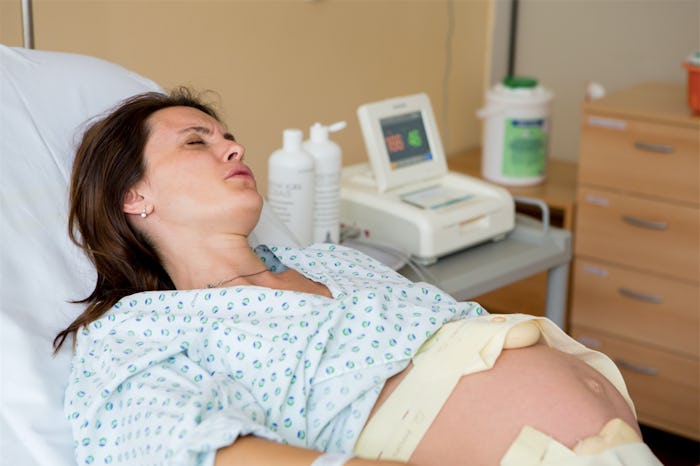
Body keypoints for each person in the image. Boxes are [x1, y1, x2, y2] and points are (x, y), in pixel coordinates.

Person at [56, 88, 661, 466]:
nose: (235, 150)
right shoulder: (142, 328)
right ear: (134, 195)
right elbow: (164, 447)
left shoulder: (328, 261)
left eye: (231, 138)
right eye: (197, 141)